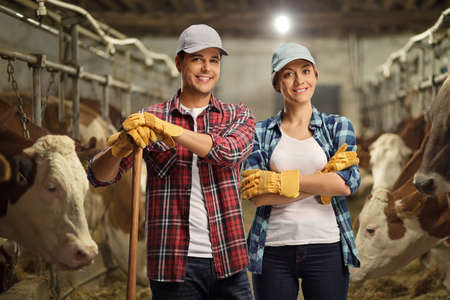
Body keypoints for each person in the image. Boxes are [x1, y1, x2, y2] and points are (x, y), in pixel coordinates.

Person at [87, 24, 255, 300]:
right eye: (197, 58)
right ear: (179, 62)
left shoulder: (237, 115)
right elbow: (98, 177)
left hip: (229, 259)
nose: (206, 68)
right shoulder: (148, 117)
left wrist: (171, 130)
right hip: (172, 263)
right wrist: (118, 150)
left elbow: (228, 152)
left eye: (214, 60)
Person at [240, 43, 361, 300]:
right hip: (272, 248)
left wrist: (280, 181)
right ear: (277, 83)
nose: (299, 80)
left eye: (305, 71)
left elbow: (345, 185)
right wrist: (323, 180)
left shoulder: (338, 125)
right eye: (288, 74)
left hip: (326, 246)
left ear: (315, 75)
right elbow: (258, 196)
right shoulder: (258, 132)